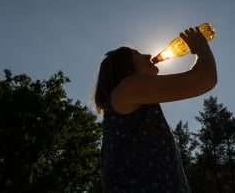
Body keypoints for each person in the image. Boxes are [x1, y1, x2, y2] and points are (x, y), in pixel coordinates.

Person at [93, 25, 217, 192]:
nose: (148, 55)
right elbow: (204, 78)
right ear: (124, 67)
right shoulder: (129, 88)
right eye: (137, 55)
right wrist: (200, 46)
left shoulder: (129, 99)